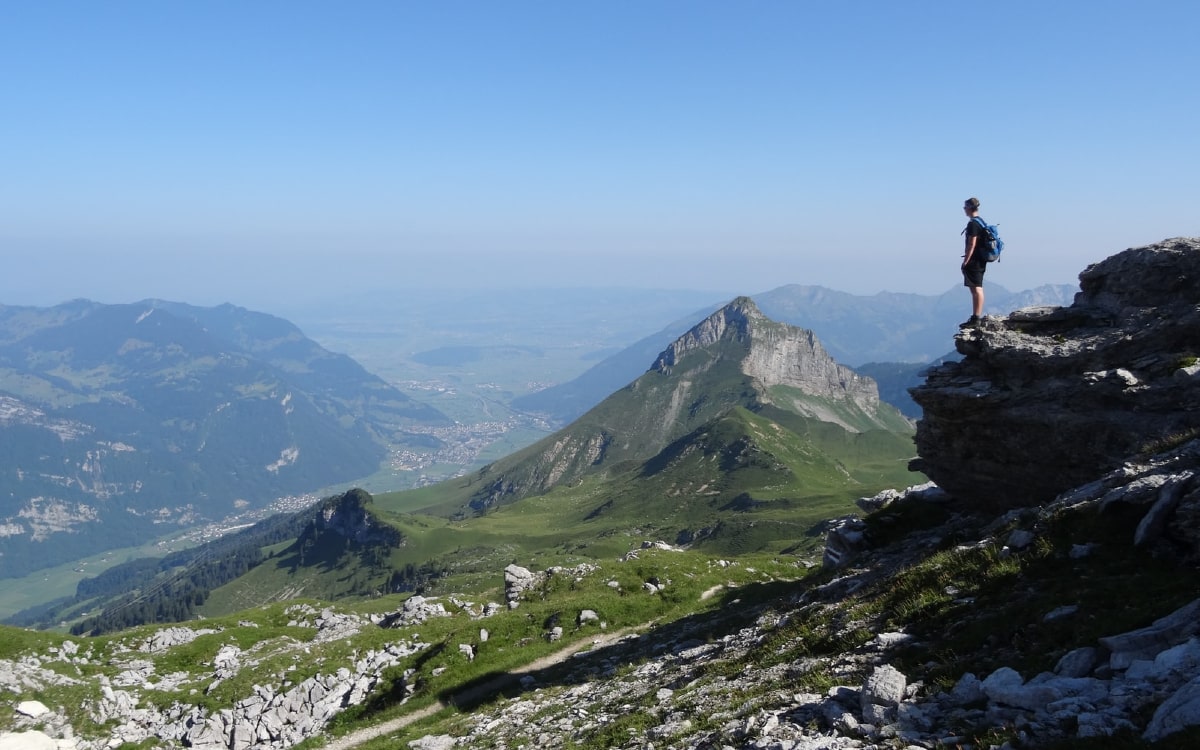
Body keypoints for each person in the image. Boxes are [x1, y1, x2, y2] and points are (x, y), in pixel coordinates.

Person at [960, 196, 988, 328]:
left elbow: (972, 244)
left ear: (970, 208)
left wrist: (966, 260)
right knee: (978, 287)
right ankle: (976, 316)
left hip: (974, 260)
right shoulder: (981, 222)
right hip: (981, 259)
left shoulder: (973, 224)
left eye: (965, 207)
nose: (964, 209)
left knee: (976, 288)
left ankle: (976, 317)